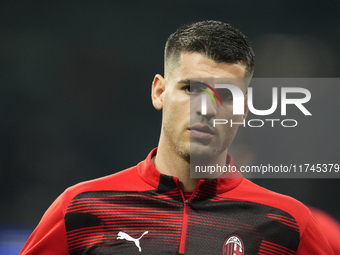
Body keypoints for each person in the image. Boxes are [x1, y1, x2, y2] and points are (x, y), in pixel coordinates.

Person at [20, 20, 333, 255]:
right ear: (159, 91)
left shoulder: (288, 225)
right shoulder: (81, 209)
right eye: (191, 89)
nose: (206, 109)